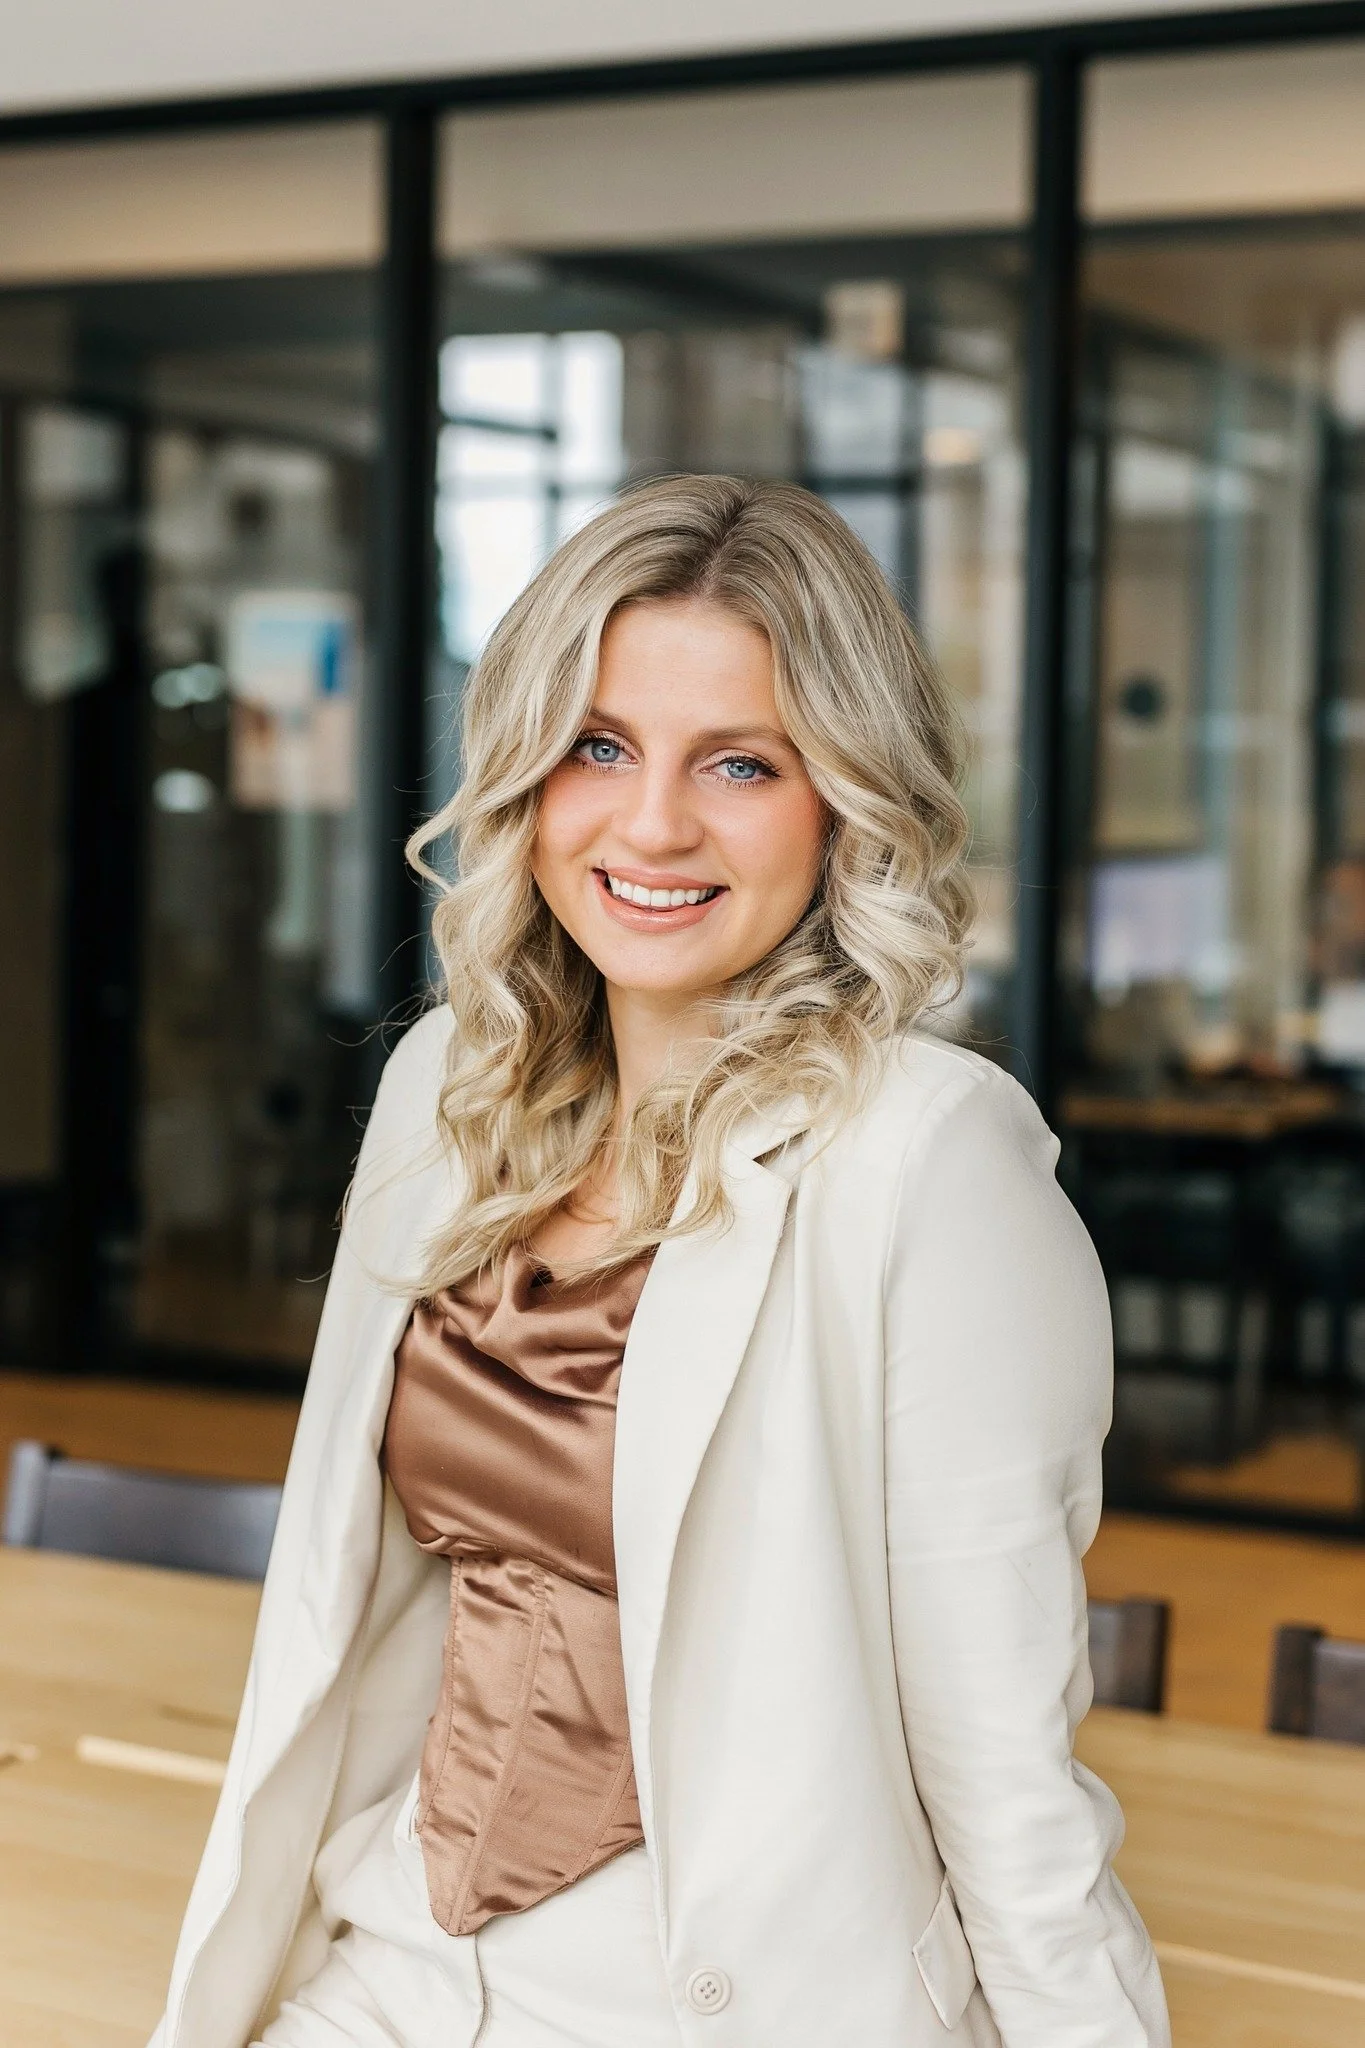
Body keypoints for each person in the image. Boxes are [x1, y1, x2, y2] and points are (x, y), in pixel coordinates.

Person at [150, 475, 1169, 2048]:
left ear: (846, 803)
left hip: (700, 1997)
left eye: (741, 764)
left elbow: (1005, 1768)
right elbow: (351, 1616)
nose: (652, 824)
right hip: (395, 1951)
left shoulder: (933, 1158)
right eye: (601, 746)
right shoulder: (449, 1082)